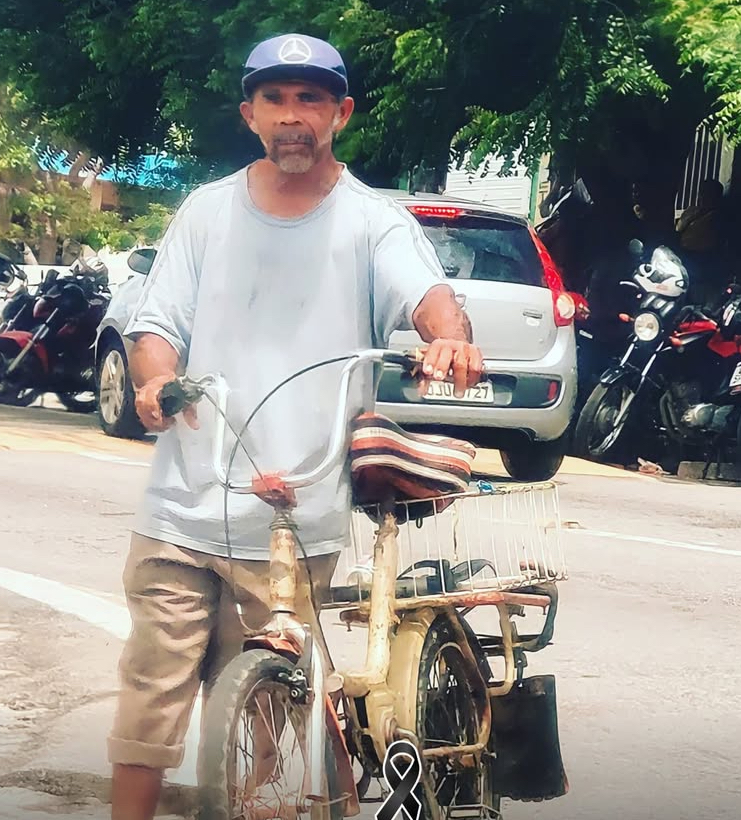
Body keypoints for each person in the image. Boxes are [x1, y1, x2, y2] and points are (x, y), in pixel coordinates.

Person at [107, 33, 484, 820]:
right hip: (183, 504)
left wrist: (448, 338)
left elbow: (428, 297)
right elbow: (157, 325)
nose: (291, 116)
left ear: (340, 113)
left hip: (296, 514)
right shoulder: (207, 212)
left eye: (309, 100)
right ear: (249, 114)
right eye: (274, 99)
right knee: (149, 697)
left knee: (282, 710)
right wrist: (154, 380)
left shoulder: (372, 222)